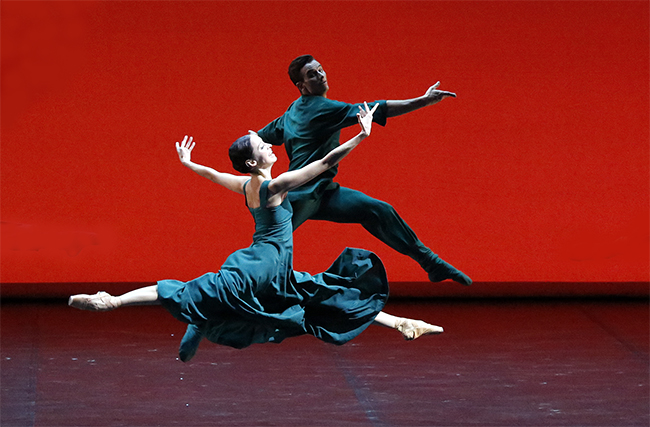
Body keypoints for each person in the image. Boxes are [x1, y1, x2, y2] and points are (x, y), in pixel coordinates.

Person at [69, 103, 443, 363]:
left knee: (323, 295)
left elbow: (214, 175)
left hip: (275, 267)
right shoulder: (274, 187)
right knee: (191, 290)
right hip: (260, 265)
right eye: (264, 147)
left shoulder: (245, 185)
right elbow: (325, 163)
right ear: (254, 162)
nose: (269, 146)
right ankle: (113, 301)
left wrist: (189, 163)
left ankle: (401, 323)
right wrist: (360, 136)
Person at [257, 55, 471, 286]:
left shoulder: (293, 112)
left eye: (320, 70)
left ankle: (432, 263)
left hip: (324, 192)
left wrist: (245, 149)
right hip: (300, 194)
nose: (320, 76)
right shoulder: (322, 108)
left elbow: (260, 135)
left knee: (377, 210)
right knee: (272, 245)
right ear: (301, 86)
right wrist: (423, 101)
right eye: (312, 74)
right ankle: (237, 288)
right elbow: (377, 109)